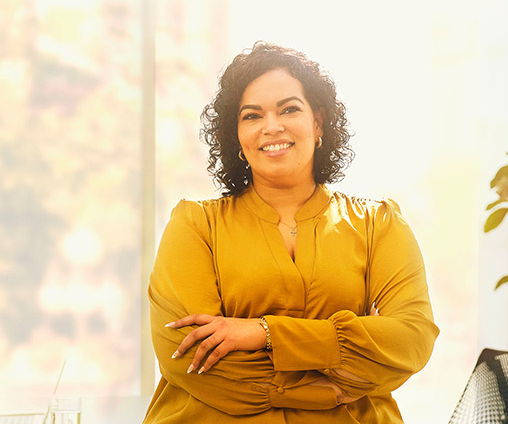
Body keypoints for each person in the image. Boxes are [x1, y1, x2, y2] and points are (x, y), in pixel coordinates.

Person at [143, 42, 439, 424]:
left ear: (317, 123)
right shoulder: (195, 225)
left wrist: (262, 333)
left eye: (289, 109)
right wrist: (329, 385)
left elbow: (410, 340)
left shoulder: (378, 224)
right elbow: (191, 359)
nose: (272, 126)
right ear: (237, 136)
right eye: (252, 116)